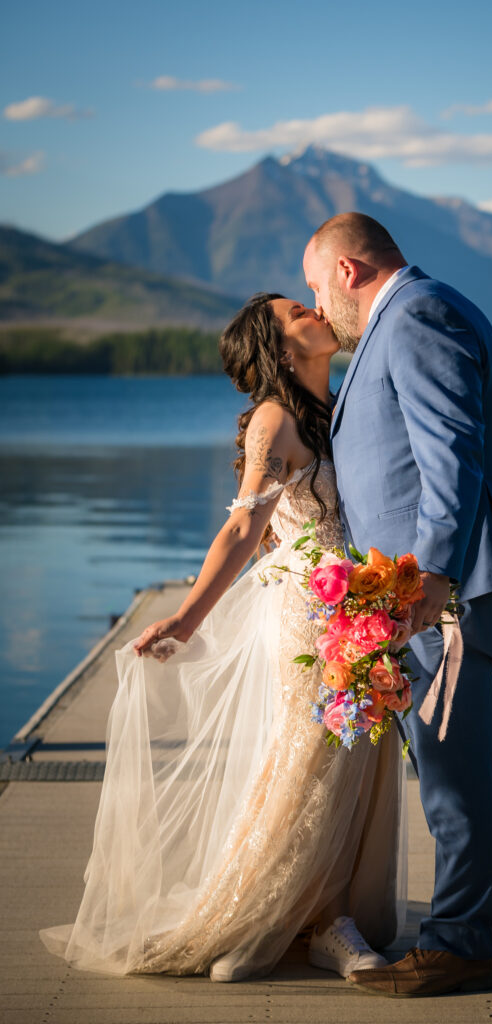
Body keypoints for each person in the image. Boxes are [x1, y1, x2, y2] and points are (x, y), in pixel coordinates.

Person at [40, 294, 404, 983]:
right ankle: (274, 917)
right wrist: (186, 619)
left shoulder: (340, 405)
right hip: (310, 611)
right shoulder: (277, 419)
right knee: (308, 758)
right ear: (281, 345)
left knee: (350, 762)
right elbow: (242, 529)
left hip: (364, 606)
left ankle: (306, 914)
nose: (319, 307)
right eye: (299, 309)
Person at [302, 213, 492, 998]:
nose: (318, 303)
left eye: (315, 285)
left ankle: (456, 945)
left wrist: (432, 575)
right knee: (459, 756)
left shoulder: (416, 315)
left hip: (442, 585)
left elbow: (452, 450)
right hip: (419, 584)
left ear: (347, 270)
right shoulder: (415, 314)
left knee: (446, 763)